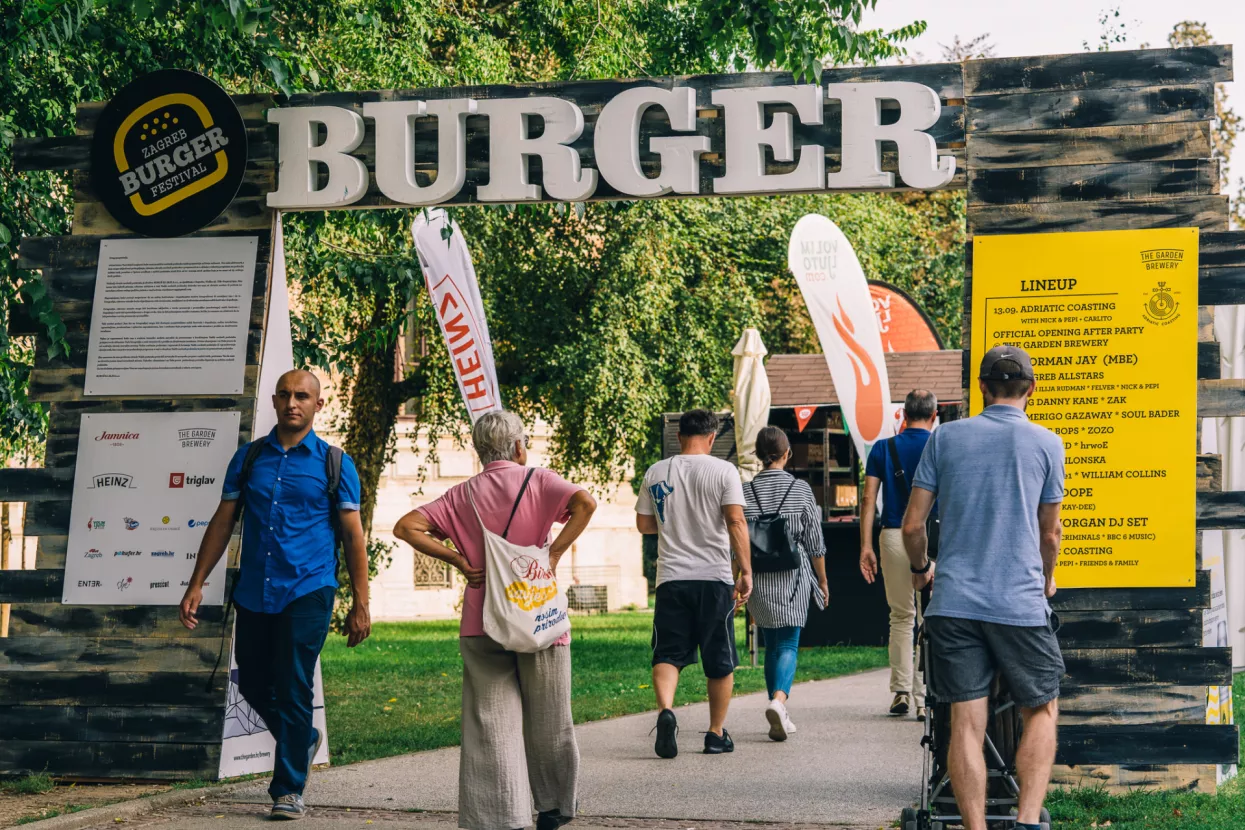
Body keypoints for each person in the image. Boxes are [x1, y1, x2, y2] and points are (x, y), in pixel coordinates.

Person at [179, 369, 371, 821]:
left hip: (309, 586)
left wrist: (361, 601)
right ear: (274, 399)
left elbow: (353, 536)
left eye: (302, 396)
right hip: (255, 589)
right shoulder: (249, 459)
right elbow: (223, 520)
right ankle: (301, 739)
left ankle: (288, 789)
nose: (292, 403)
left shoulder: (335, 464)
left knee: (293, 683)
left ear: (318, 405)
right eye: (284, 395)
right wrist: (197, 581)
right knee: (251, 680)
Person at [393, 410, 597, 830]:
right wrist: (553, 554)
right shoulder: (539, 480)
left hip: (481, 619)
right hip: (539, 616)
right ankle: (554, 807)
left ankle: (501, 815)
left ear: (479, 450)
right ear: (519, 446)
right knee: (550, 717)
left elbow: (406, 526)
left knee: (491, 722)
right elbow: (585, 503)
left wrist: (457, 559)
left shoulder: (461, 495)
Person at [902, 345, 1065, 830]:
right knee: (1042, 706)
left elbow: (913, 526)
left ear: (981, 389)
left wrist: (922, 567)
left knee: (965, 723)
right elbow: (1050, 532)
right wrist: (1047, 577)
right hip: (1019, 602)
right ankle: (1028, 821)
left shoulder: (945, 438)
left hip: (954, 603)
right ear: (1031, 389)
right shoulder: (1047, 443)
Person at [636, 409, 751, 758]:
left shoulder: (656, 471)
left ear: (679, 435)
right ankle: (716, 734)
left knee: (668, 652)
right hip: (713, 578)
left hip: (671, 578)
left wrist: (675, 526)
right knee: (719, 658)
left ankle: (666, 710)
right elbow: (735, 520)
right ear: (713, 437)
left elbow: (644, 524)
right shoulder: (723, 470)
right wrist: (746, 571)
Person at [742, 426, 828, 741]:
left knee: (771, 644)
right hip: (793, 577)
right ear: (787, 453)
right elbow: (815, 543)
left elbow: (737, 539)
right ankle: (779, 702)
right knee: (789, 643)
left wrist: (740, 574)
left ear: (757, 455)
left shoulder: (744, 491)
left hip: (759, 578)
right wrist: (823, 579)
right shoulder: (800, 489)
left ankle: (778, 714)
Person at [859, 389, 938, 720]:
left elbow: (868, 500)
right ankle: (925, 698)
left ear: (903, 415)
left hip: (892, 534)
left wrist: (865, 545)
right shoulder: (939, 444)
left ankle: (901, 691)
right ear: (933, 416)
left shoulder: (882, 448)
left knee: (901, 616)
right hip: (930, 534)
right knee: (929, 617)